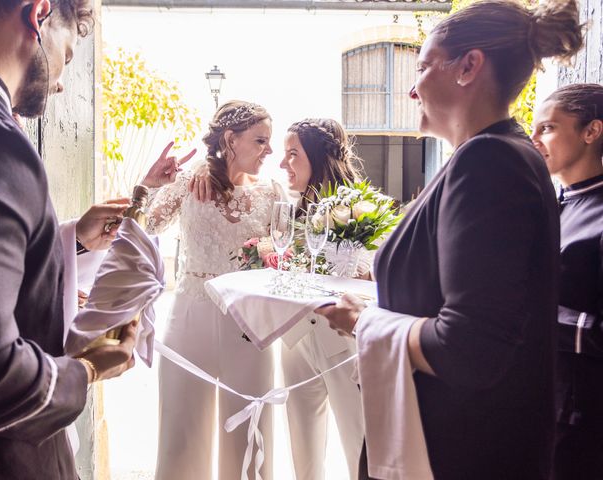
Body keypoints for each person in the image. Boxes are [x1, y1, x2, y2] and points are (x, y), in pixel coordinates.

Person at [317, 0, 584, 478]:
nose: (411, 89)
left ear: (469, 67)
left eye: (421, 67)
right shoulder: (497, 156)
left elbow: (468, 347)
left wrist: (365, 322)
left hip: (458, 448)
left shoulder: (488, 162)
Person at [0, 1, 138, 478]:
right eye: (69, 50)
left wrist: (72, 239)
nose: (61, 79)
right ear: (38, 14)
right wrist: (87, 370)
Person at [142, 100, 280, 480]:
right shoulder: (189, 180)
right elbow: (146, 225)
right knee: (181, 434)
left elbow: (285, 247)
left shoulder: (272, 192)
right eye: (261, 141)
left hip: (248, 323)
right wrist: (151, 183)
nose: (270, 150)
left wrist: (265, 252)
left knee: (250, 429)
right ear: (230, 139)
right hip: (191, 316)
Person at [279, 118, 365, 480]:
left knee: (358, 444)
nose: (283, 164)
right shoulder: (287, 207)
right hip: (295, 339)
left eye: (292, 154)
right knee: (303, 453)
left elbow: (371, 275)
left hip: (343, 345)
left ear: (316, 157)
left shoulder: (361, 211)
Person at [530, 83, 603, 480]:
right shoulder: (551, 203)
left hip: (582, 414)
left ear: (591, 132)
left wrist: (533, 318)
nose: (534, 138)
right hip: (537, 397)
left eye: (548, 128)